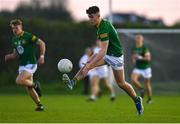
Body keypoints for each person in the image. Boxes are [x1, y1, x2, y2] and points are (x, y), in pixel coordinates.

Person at [62, 6, 144, 116]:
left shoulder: (103, 28)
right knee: (87, 65)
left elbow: (102, 52)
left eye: (92, 17)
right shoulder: (99, 25)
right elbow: (100, 51)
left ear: (98, 16)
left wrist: (91, 63)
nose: (90, 19)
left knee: (121, 83)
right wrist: (89, 61)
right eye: (89, 17)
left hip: (116, 57)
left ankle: (137, 99)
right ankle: (72, 82)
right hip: (109, 54)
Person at [5, 19, 46, 111]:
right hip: (22, 66)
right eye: (13, 28)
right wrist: (9, 56)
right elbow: (16, 54)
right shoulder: (14, 39)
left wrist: (42, 56)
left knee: (19, 80)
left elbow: (42, 43)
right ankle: (40, 105)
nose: (15, 30)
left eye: (16, 28)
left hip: (31, 63)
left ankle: (36, 85)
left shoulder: (28, 36)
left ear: (21, 27)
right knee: (28, 87)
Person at [131, 34, 152, 104]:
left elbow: (148, 59)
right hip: (138, 67)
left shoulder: (144, 47)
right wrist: (133, 59)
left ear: (142, 39)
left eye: (140, 38)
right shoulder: (135, 47)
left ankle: (149, 99)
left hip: (146, 68)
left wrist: (140, 57)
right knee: (133, 80)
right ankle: (141, 89)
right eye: (137, 38)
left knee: (147, 84)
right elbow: (133, 56)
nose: (138, 39)